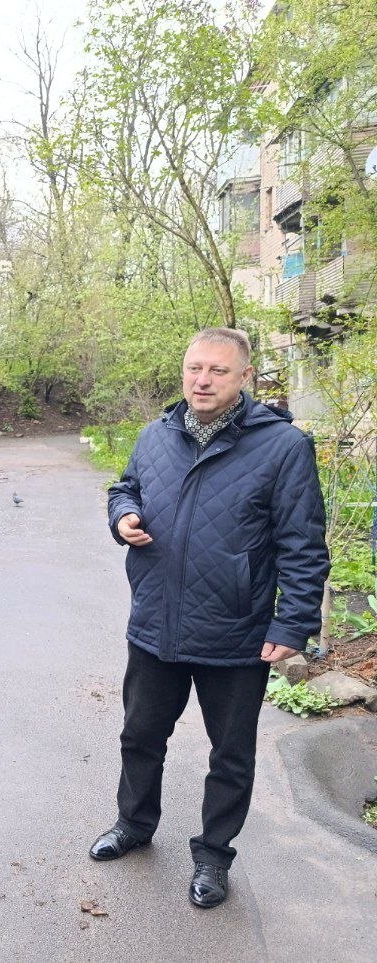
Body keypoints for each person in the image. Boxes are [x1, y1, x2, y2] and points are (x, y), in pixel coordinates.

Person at [91, 327, 329, 909]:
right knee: (140, 736)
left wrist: (291, 624)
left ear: (245, 377)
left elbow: (303, 546)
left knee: (231, 755)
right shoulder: (156, 434)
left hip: (237, 631)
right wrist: (123, 516)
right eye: (194, 368)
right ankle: (133, 824)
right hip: (156, 623)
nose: (202, 380)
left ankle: (214, 856)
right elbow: (125, 487)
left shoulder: (284, 447)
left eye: (218, 371)